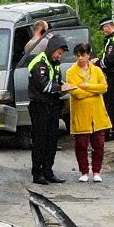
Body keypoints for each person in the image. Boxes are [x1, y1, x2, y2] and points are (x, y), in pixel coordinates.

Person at [64, 42, 111, 181]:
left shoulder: (96, 71)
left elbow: (103, 87)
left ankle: (97, 171)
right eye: (77, 56)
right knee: (81, 145)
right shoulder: (71, 72)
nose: (80, 58)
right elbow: (75, 93)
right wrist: (93, 91)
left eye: (83, 55)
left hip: (97, 114)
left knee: (99, 144)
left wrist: (86, 86)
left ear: (88, 55)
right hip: (81, 113)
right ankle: (84, 172)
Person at [26, 35, 69, 184]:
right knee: (40, 141)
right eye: (59, 52)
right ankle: (37, 174)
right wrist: (61, 88)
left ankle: (48, 171)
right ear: (52, 49)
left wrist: (65, 87)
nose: (60, 55)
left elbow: (56, 82)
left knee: (51, 141)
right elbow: (44, 86)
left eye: (62, 53)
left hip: (53, 106)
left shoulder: (55, 63)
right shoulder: (39, 63)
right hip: (40, 106)